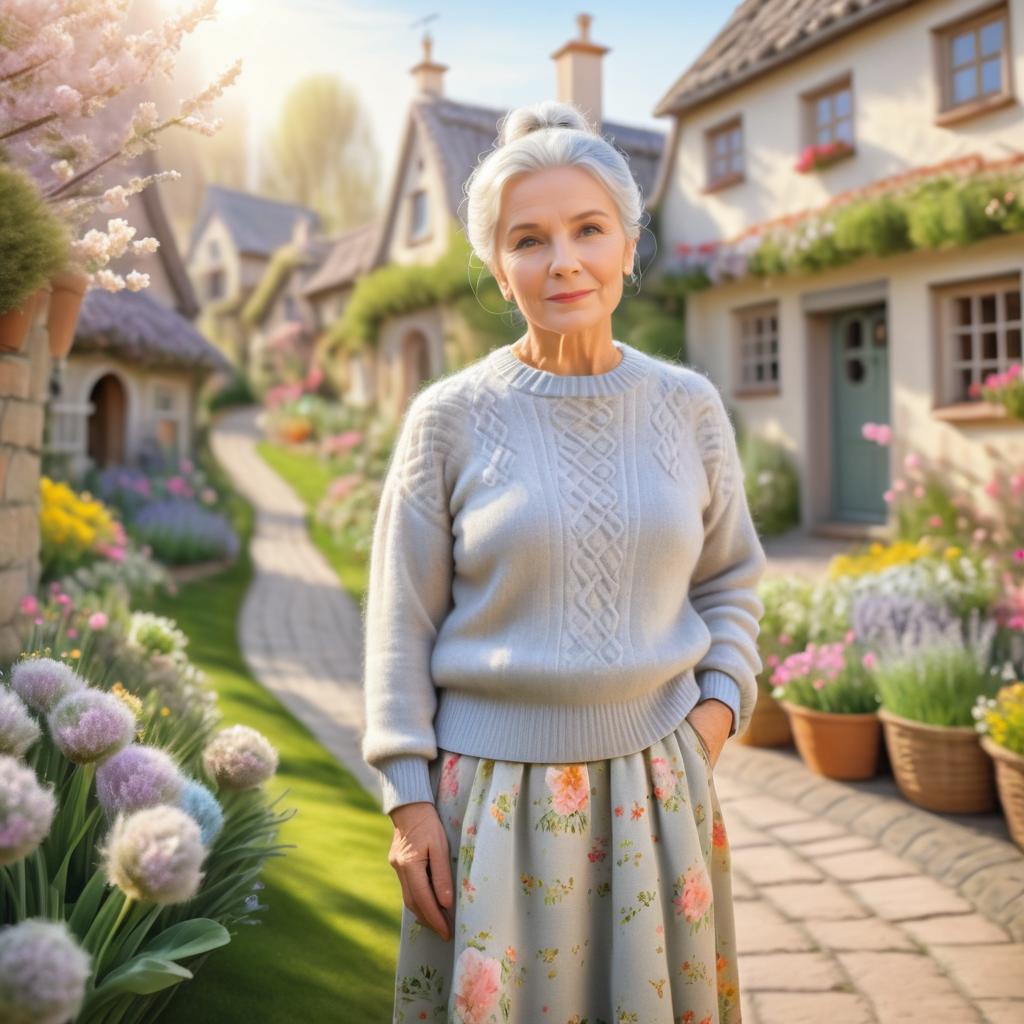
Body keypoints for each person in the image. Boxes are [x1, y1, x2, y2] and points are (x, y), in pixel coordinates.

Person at [361, 98, 767, 1024]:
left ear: (629, 244)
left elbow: (731, 577)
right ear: (500, 271)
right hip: (488, 811)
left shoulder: (690, 407)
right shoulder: (449, 419)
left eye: (588, 229)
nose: (564, 261)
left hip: (658, 794)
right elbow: (399, 627)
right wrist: (408, 802)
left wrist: (713, 715)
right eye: (529, 239)